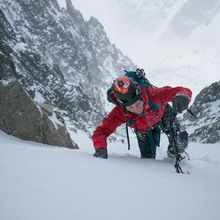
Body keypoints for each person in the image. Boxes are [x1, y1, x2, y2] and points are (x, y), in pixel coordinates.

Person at [92, 71, 192, 159]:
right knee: (148, 159)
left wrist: (182, 97)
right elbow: (101, 131)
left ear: (141, 95)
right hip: (143, 131)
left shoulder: (152, 94)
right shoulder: (120, 112)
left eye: (138, 103)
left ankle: (174, 154)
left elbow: (177, 91)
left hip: (163, 115)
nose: (137, 109)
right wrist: (100, 148)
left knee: (179, 140)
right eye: (131, 107)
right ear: (123, 107)